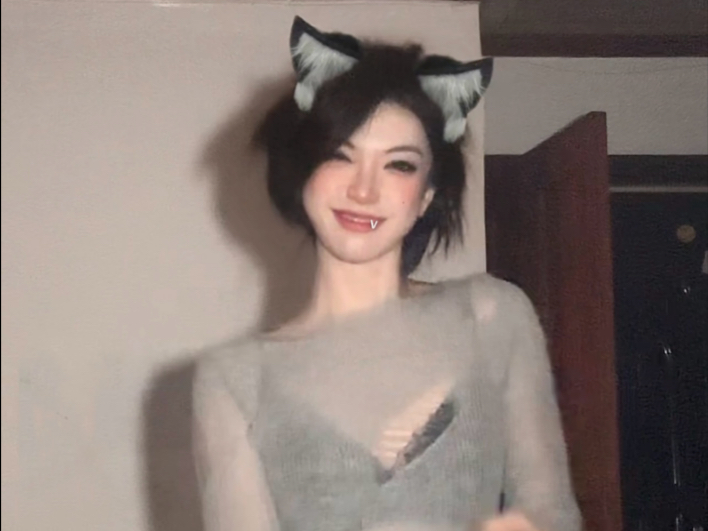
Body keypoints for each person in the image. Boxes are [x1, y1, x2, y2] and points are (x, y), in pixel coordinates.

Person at [192, 15, 583, 531]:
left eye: (399, 164)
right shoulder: (236, 379)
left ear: (426, 196)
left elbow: (551, 514)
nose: (364, 189)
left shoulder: (491, 317)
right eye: (340, 156)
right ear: (305, 175)